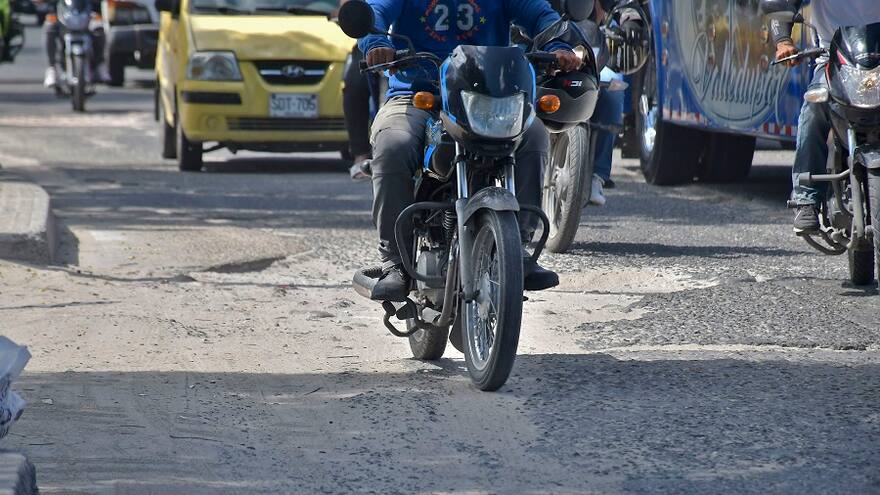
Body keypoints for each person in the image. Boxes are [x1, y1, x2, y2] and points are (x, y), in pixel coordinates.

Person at [358, 0, 581, 301]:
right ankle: (395, 262)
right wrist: (376, 42)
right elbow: (376, 12)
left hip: (487, 96)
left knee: (534, 136)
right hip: (419, 94)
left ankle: (520, 251)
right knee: (392, 145)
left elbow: (539, 13)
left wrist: (556, 43)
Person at [762, 0, 880, 233]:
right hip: (833, 59)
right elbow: (781, 3)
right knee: (813, 107)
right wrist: (783, 41)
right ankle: (806, 199)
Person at [43, 0, 109, 88]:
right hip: (63, 14)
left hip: (86, 13)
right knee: (49, 27)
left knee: (99, 28)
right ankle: (52, 69)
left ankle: (100, 64)